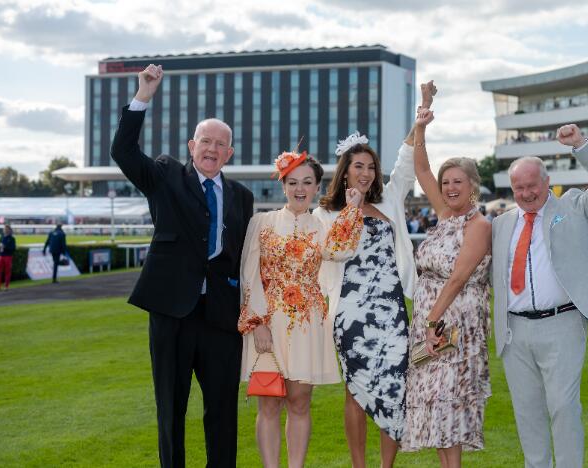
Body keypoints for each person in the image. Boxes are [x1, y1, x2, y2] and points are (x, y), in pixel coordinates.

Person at [110, 64, 254, 467]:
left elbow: (246, 255)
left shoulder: (242, 197)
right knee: (170, 409)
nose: (211, 149)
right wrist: (144, 95)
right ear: (192, 146)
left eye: (219, 144)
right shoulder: (164, 175)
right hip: (171, 312)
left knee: (223, 411)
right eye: (204, 141)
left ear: (229, 153)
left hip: (223, 319)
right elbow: (122, 151)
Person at [491, 124, 588, 468]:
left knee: (563, 407)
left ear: (547, 183)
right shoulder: (500, 224)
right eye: (519, 187)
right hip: (514, 332)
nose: (526, 193)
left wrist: (580, 145)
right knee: (527, 413)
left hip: (562, 324)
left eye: (532, 185)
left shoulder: (573, 207)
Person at [237, 151, 363, 468]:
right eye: (292, 182)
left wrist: (353, 209)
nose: (300, 189)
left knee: (299, 402)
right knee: (268, 404)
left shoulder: (322, 226)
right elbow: (249, 274)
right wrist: (257, 323)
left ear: (317, 186)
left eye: (307, 182)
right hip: (266, 323)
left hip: (307, 324)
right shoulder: (261, 223)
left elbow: (340, 250)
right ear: (283, 184)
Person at [314, 121, 422, 467]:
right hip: (351, 313)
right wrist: (351, 208)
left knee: (395, 388)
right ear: (345, 173)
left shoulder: (389, 201)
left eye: (371, 167)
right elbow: (333, 250)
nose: (365, 172)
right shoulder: (326, 213)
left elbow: (405, 163)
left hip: (391, 311)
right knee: (356, 392)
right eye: (357, 166)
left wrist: (419, 123)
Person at [401, 84, 492, 467]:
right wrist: (423, 116)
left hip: (453, 323)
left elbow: (458, 278)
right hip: (430, 321)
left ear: (473, 186)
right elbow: (421, 167)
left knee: (449, 407)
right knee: (434, 405)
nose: (450, 187)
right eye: (446, 182)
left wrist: (434, 320)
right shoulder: (443, 215)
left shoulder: (479, 225)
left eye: (458, 181)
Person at [0, 225, 16, 290]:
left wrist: (5, 247)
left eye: (7, 229)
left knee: (7, 271)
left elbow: (13, 248)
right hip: (1, 255)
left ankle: (6, 286)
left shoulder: (12, 238)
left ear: (9, 230)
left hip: (8, 256)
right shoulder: (1, 237)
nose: (5, 230)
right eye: (4, 229)